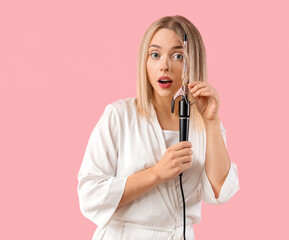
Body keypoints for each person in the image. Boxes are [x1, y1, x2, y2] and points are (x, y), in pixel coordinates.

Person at [77, 15, 240, 240]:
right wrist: (156, 173)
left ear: (194, 62)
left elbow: (222, 191)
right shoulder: (119, 116)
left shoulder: (205, 125)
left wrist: (211, 121)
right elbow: (90, 195)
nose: (164, 65)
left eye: (177, 56)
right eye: (155, 55)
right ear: (145, 62)